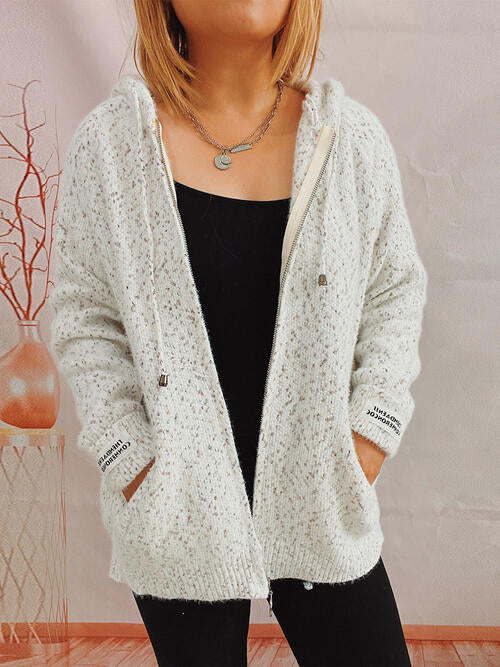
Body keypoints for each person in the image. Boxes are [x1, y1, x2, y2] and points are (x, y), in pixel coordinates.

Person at [50, 0, 427, 664]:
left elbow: (393, 291)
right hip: (177, 512)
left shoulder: (350, 142)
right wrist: (132, 461)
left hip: (320, 498)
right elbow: (86, 318)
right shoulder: (110, 148)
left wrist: (369, 435)